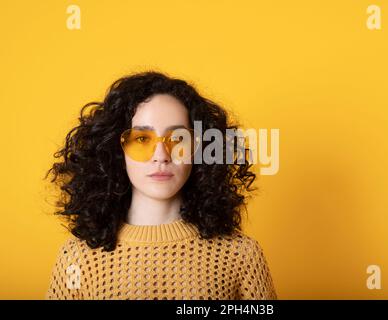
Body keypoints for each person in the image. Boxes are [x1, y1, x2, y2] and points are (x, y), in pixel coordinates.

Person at [44, 70, 277, 300]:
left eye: (177, 139)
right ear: (116, 151)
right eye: (142, 139)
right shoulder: (76, 257)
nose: (161, 155)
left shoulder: (240, 255)